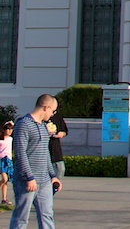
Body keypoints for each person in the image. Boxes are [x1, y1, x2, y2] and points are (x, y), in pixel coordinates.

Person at [9, 94, 62, 229]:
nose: (52, 114)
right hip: (26, 182)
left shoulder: (44, 127)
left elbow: (45, 154)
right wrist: (29, 177)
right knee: (21, 218)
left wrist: (53, 176)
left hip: (44, 181)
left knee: (47, 216)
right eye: (53, 111)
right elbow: (20, 154)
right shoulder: (23, 124)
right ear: (46, 107)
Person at [46, 108, 68, 183]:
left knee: (60, 169)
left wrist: (61, 134)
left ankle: (54, 187)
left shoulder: (57, 116)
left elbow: (64, 131)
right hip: (44, 148)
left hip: (55, 148)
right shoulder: (42, 117)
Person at [0, 121, 13, 210]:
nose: (9, 131)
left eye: (10, 129)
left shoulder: (10, 139)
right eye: (7, 129)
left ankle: (4, 199)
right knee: (5, 178)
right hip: (1, 160)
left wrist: (11, 123)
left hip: (8, 160)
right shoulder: (1, 140)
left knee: (6, 181)